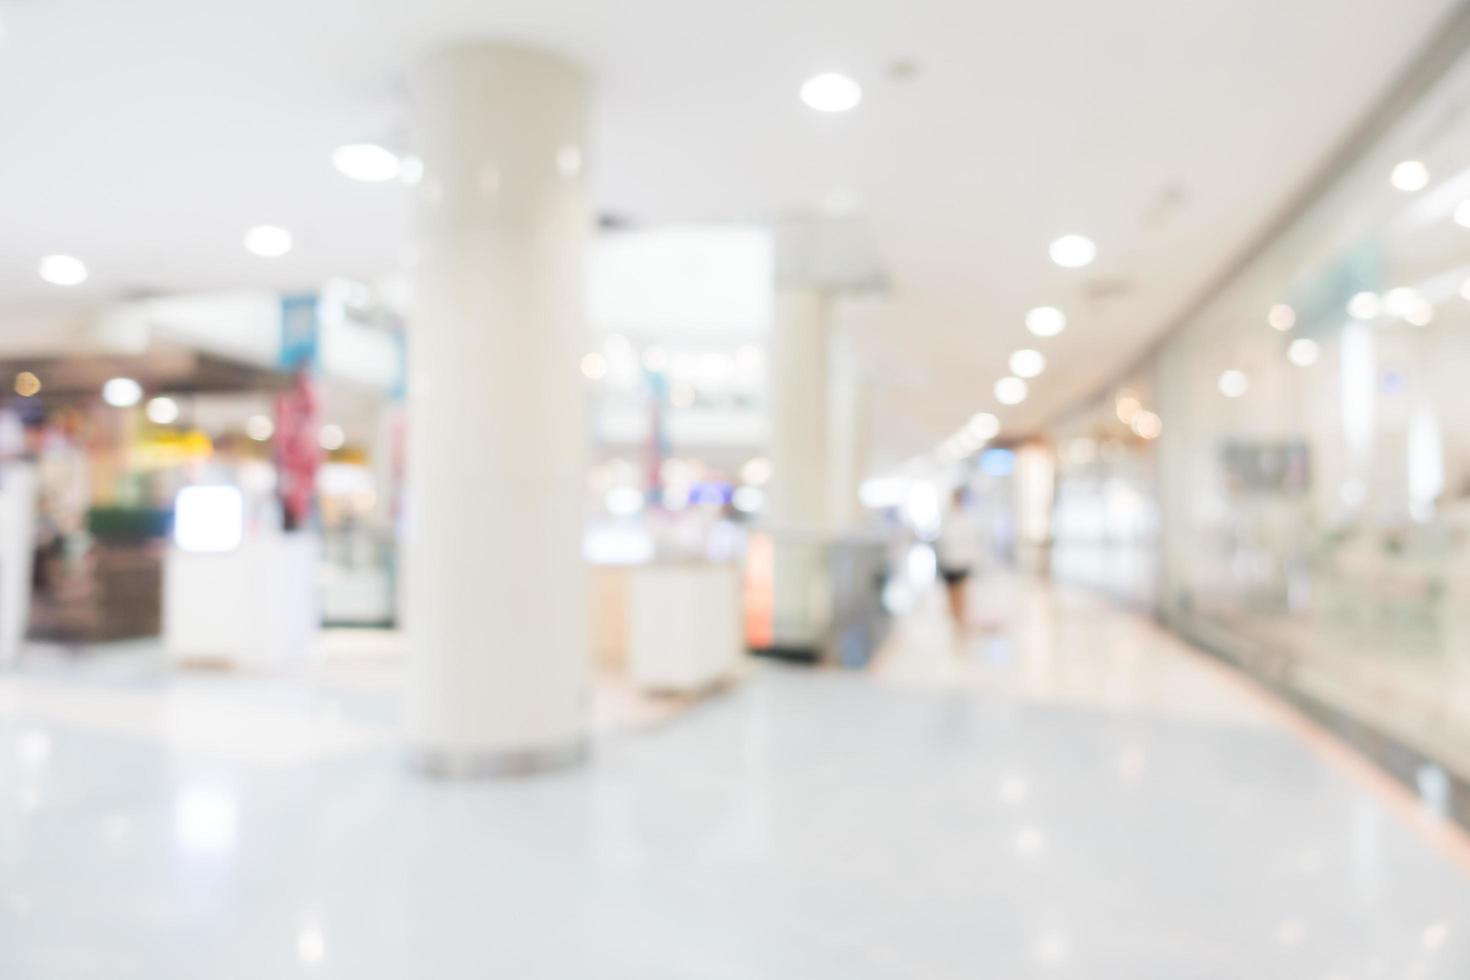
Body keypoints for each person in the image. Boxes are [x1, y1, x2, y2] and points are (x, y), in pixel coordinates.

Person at [935, 487, 981, 628]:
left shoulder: (966, 518)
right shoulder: (946, 517)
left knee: (961, 590)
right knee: (951, 591)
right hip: (949, 562)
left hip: (962, 561)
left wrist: (973, 559)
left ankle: (960, 618)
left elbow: (971, 541)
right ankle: (954, 617)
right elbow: (943, 541)